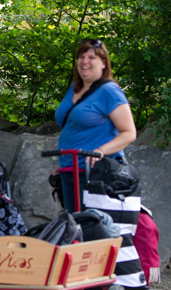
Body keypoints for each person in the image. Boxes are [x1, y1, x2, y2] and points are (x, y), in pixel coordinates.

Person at [54, 38, 136, 213]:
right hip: (69, 170)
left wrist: (100, 151)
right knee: (75, 230)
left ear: (103, 63)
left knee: (94, 231)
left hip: (96, 174)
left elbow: (129, 133)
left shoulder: (109, 92)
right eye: (81, 57)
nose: (85, 62)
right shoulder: (74, 88)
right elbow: (73, 127)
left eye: (91, 57)